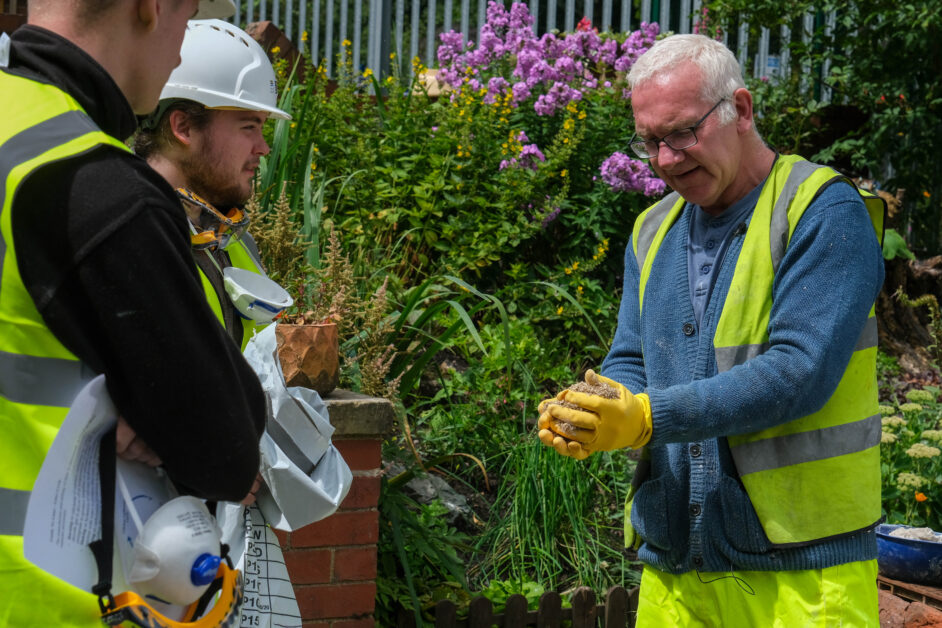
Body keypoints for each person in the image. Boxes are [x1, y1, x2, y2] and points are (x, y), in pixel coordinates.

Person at [538, 34, 886, 626]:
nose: (667, 158)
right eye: (650, 141)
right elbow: (631, 358)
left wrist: (647, 417)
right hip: (675, 570)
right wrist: (598, 408)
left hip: (804, 581)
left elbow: (799, 372)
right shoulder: (652, 229)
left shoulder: (821, 210)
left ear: (742, 110)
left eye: (682, 133)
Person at [0, 0, 268, 625]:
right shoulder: (91, 185)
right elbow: (225, 449)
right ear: (151, 8)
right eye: (188, 15)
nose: (181, 47)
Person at [134, 18, 292, 350]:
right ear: (184, 128)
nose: (263, 147)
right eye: (249, 126)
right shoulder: (130, 238)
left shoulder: (236, 240)